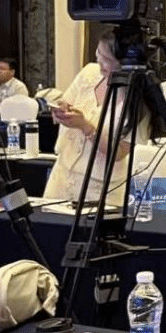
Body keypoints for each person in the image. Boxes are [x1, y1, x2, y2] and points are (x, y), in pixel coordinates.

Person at [46, 31, 152, 205]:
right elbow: (66, 101)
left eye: (107, 59)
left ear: (125, 64)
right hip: (62, 175)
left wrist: (86, 127)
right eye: (98, 53)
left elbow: (119, 153)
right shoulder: (89, 73)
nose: (99, 62)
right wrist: (61, 110)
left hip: (101, 188)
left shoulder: (139, 100)